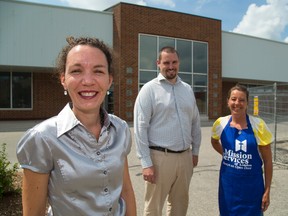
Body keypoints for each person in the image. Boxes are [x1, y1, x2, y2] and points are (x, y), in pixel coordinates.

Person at [16, 36, 136, 216]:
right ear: (63, 79)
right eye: (77, 71)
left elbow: (125, 190)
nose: (88, 81)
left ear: (109, 80)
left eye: (98, 71)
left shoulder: (121, 129)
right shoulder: (42, 139)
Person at [134, 46, 202, 216]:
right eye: (166, 62)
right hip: (159, 159)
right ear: (158, 63)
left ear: (179, 63)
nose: (171, 66)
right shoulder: (148, 90)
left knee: (180, 206)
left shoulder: (187, 89)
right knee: (153, 208)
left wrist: (195, 152)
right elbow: (140, 128)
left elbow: (195, 122)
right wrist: (146, 163)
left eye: (174, 62)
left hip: (185, 157)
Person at [211, 84, 273, 216]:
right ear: (228, 101)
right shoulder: (220, 123)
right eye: (233, 99)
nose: (237, 103)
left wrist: (267, 190)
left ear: (247, 103)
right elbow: (214, 141)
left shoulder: (259, 125)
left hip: (252, 189)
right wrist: (227, 154)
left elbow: (268, 161)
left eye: (242, 100)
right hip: (228, 187)